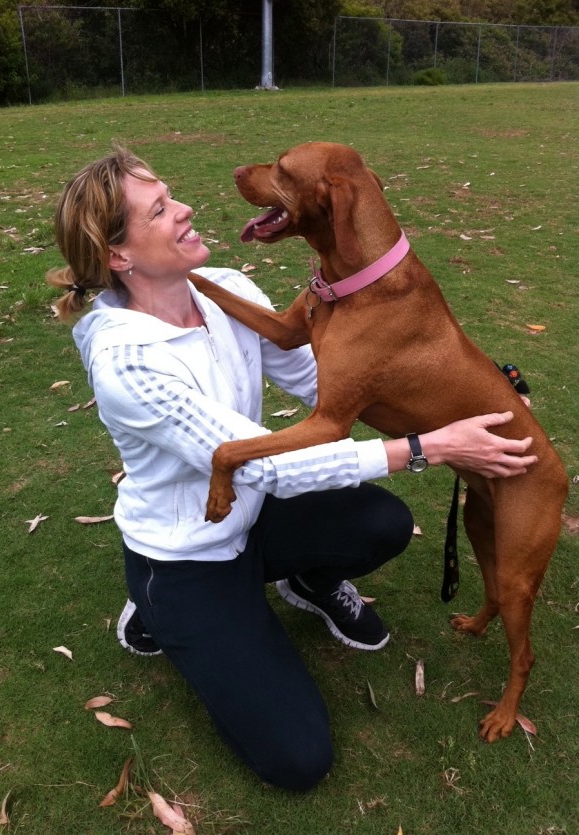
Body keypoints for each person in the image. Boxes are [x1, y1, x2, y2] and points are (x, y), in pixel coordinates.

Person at [47, 148, 537, 792]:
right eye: (161, 209)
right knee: (298, 759)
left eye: (171, 194)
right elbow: (265, 470)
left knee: (382, 522)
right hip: (188, 552)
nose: (186, 207)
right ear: (118, 256)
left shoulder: (227, 288)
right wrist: (428, 447)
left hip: (252, 521)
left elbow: (319, 385)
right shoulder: (128, 361)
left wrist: (450, 388)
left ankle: (304, 581)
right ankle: (156, 610)